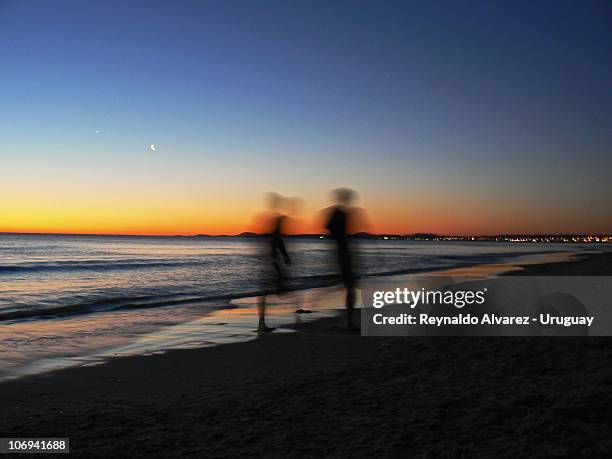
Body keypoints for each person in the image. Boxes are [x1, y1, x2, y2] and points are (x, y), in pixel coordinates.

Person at [324, 188, 359, 329]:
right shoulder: (339, 213)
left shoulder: (339, 213)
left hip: (343, 252)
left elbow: (328, 228)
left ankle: (349, 320)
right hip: (343, 253)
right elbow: (330, 229)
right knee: (351, 288)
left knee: (349, 287)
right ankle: (349, 321)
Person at [257, 193, 291, 332]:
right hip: (272, 260)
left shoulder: (267, 219)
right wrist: (284, 256)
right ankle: (262, 323)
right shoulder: (277, 220)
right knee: (274, 289)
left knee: (266, 291)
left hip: (267, 260)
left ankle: (262, 322)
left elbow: (272, 240)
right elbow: (278, 241)